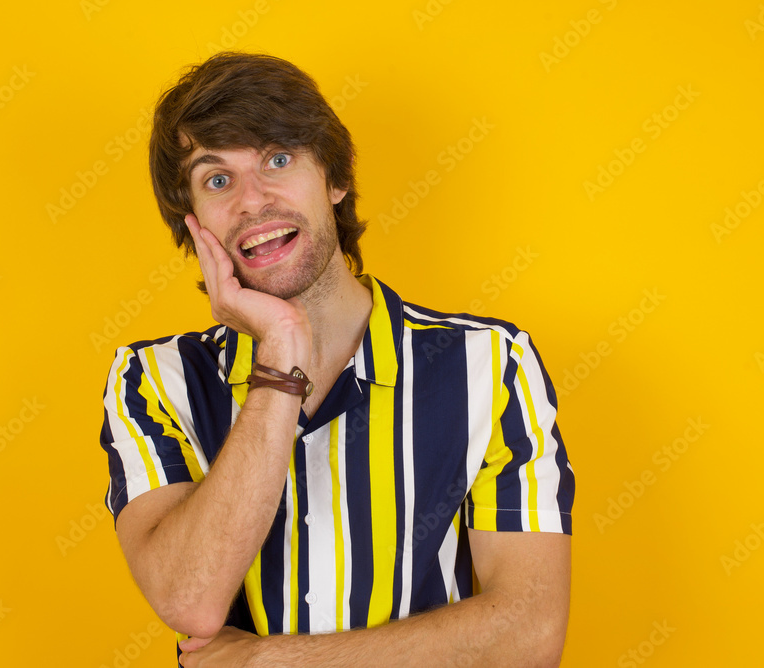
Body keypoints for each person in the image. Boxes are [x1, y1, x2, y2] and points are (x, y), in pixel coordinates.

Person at [100, 51, 575, 667]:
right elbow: (189, 599)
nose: (252, 201)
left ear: (335, 178)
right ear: (195, 227)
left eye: (277, 158)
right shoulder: (155, 381)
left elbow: (529, 635)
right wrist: (280, 359)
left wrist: (270, 661)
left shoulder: (490, 364)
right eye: (217, 179)